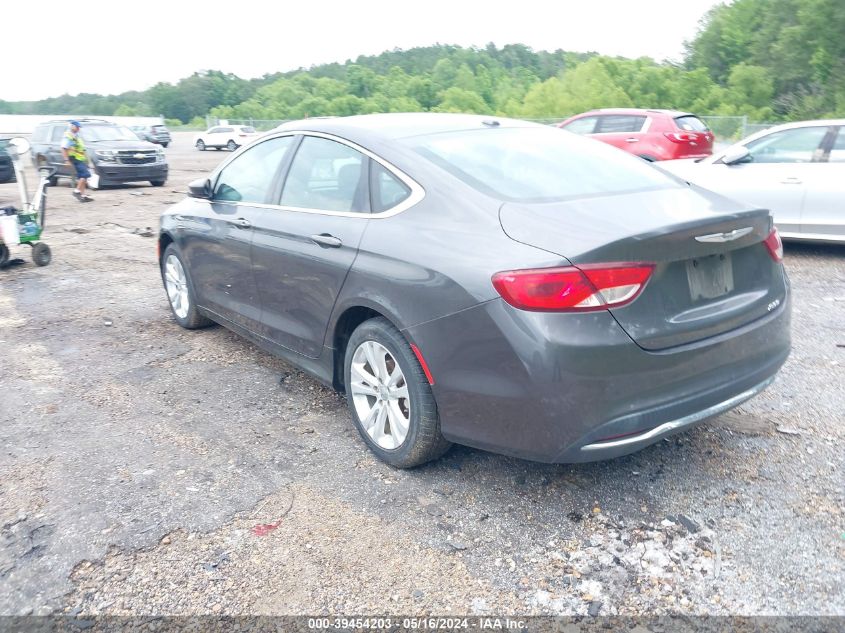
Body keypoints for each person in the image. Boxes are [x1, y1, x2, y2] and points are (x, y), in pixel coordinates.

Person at [61, 121, 93, 202]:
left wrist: (88, 161)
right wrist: (66, 160)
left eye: (79, 127)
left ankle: (82, 196)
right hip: (75, 158)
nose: (79, 128)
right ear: (72, 126)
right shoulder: (69, 136)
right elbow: (63, 148)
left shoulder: (77, 136)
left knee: (82, 177)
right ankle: (76, 191)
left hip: (80, 158)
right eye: (77, 127)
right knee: (86, 174)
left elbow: (83, 149)